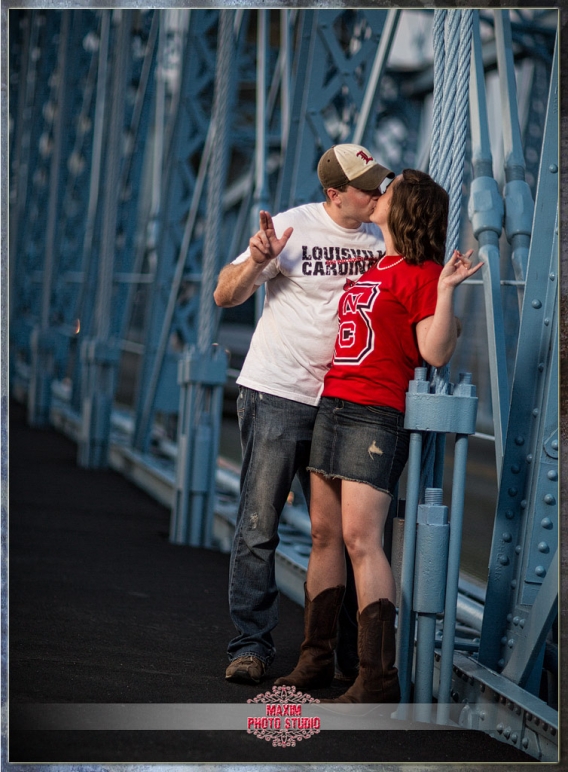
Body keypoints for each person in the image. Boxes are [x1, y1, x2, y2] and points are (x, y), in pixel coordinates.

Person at [274, 168, 483, 702]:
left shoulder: (422, 272)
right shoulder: (377, 264)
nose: (378, 192)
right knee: (323, 535)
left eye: (389, 189)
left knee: (361, 540)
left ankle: (377, 677)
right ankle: (315, 661)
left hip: (374, 413)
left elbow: (433, 353)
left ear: (406, 204)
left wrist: (445, 293)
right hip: (333, 404)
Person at [214, 144, 395, 685]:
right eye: (367, 186)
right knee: (258, 525)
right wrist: (260, 262)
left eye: (380, 182)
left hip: (341, 405)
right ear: (334, 193)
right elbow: (226, 292)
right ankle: (250, 646)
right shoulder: (292, 227)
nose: (377, 193)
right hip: (275, 394)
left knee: (336, 535)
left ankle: (340, 656)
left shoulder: (380, 240)